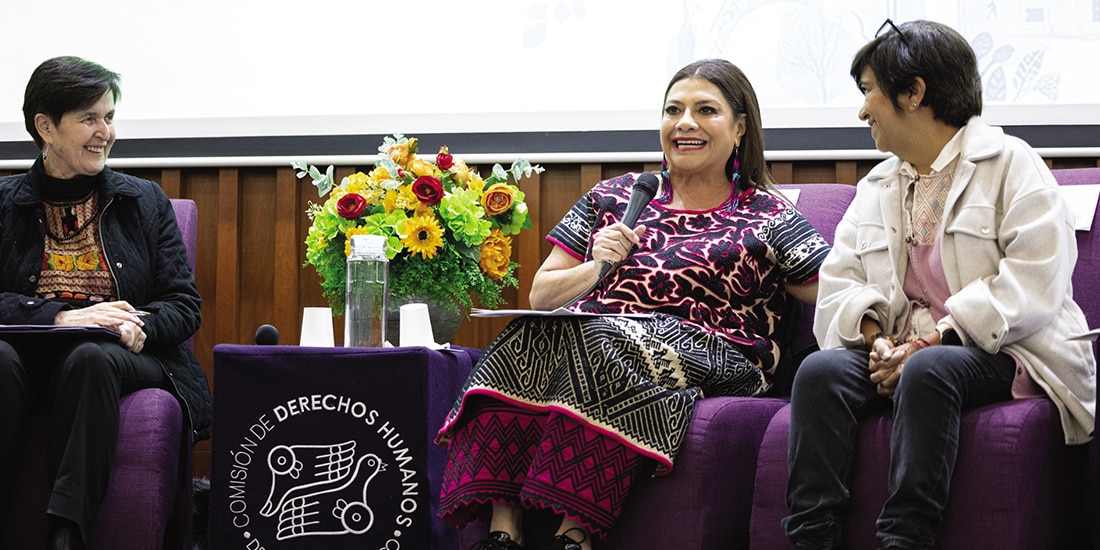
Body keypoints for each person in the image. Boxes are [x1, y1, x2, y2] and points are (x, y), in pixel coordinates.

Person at [435, 58, 831, 550]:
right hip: (602, 338)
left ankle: (573, 533)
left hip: (722, 352)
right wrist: (595, 265)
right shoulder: (617, 196)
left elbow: (835, 285)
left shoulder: (766, 212)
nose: (685, 123)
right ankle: (503, 529)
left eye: (705, 110)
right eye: (673, 110)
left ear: (739, 127)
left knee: (601, 338)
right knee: (531, 331)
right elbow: (542, 294)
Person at [782, 20, 1096, 550]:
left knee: (928, 369)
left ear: (913, 91)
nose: (861, 111)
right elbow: (841, 278)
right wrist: (877, 335)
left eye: (868, 92)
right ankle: (812, 537)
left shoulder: (1012, 164)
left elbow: (1034, 280)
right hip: (903, 350)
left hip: (1004, 348)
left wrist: (934, 340)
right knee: (819, 371)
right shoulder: (878, 184)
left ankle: (905, 539)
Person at [0, 56, 210, 550]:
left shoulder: (144, 200)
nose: (105, 132)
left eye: (109, 117)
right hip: (26, 350)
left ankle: (67, 533)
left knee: (90, 357)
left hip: (120, 352)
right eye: (89, 119)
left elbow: (183, 303)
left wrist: (142, 326)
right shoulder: (5, 203)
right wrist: (63, 316)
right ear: (45, 127)